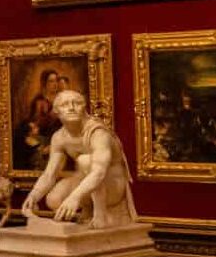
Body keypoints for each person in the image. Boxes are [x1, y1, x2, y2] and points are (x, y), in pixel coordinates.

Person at [21, 89, 137, 229]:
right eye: (65, 104)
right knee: (53, 199)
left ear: (84, 108)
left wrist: (74, 197)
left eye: (76, 103)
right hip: (87, 186)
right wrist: (33, 196)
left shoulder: (97, 133)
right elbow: (49, 174)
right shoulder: (59, 137)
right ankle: (87, 212)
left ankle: (101, 215)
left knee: (85, 161)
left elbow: (99, 172)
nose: (71, 108)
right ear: (57, 111)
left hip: (112, 188)